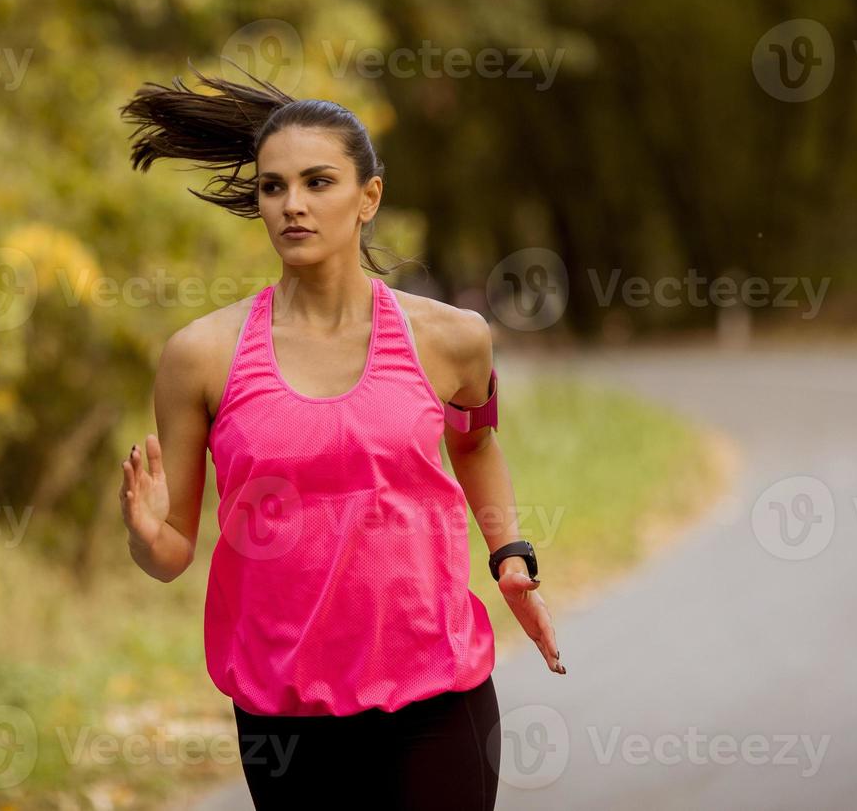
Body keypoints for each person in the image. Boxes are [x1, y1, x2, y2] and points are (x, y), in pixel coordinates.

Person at [115, 65, 565, 810]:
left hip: (434, 690)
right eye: (273, 187)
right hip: (285, 713)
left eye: (318, 183)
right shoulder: (202, 356)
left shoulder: (452, 339)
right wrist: (141, 533)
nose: (293, 205)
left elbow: (476, 443)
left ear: (369, 197)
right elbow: (171, 552)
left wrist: (509, 552)